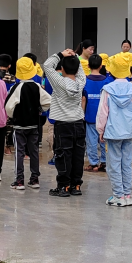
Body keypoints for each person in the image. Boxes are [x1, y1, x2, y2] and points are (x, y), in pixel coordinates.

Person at [95, 52, 132, 206]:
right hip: (128, 131)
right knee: (126, 163)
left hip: (112, 132)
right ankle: (127, 195)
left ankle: (118, 195)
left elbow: (102, 112)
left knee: (113, 164)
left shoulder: (107, 89)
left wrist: (100, 130)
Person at [43, 49, 87, 197]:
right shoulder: (81, 82)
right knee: (78, 155)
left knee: (63, 155)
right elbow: (80, 71)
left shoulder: (59, 82)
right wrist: (75, 57)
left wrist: (61, 54)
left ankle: (64, 186)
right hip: (78, 123)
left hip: (63, 124)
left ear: (62, 69)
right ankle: (76, 185)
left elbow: (47, 65)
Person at [5, 57, 50, 190]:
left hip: (19, 125)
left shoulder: (16, 87)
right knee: (34, 151)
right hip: (34, 125)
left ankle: (19, 180)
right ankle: (34, 179)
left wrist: (14, 115)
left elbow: (8, 106)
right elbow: (48, 101)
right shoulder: (37, 86)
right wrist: (40, 110)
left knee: (19, 152)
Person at [82, 54, 111, 172]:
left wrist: (82, 114)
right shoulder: (108, 81)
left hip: (90, 115)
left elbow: (83, 99)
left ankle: (93, 163)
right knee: (104, 139)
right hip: (105, 116)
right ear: (101, 66)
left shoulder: (85, 81)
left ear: (88, 66)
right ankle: (104, 162)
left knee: (91, 141)